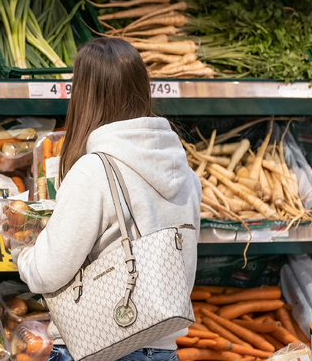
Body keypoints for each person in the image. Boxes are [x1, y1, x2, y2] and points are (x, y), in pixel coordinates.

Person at [10, 38, 201, 361]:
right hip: (164, 349)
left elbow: (47, 272)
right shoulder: (186, 175)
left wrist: (18, 242)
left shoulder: (95, 171)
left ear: (85, 95)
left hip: (102, 347)